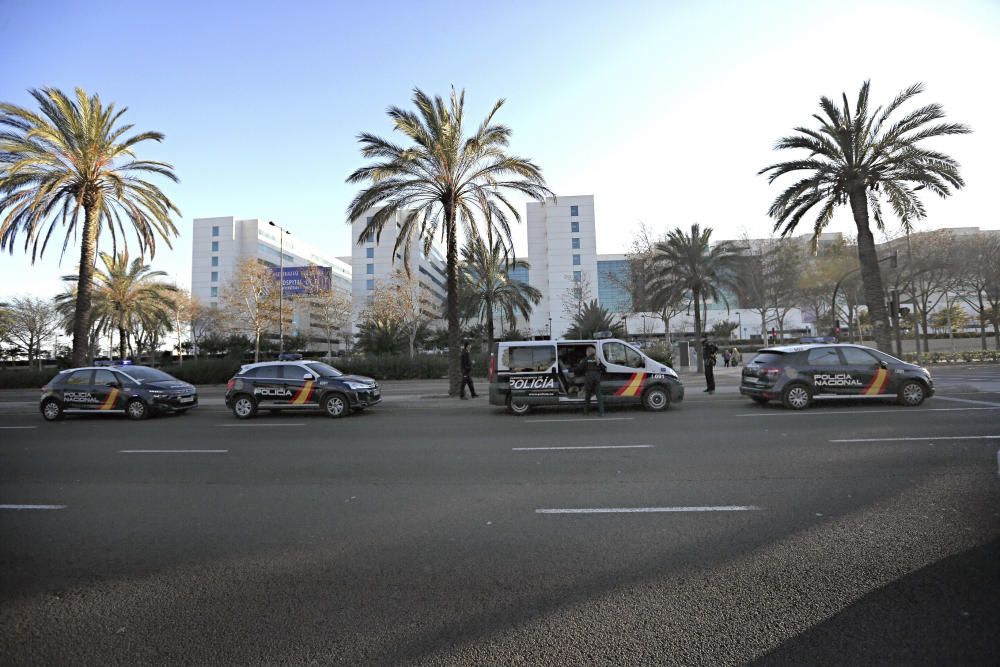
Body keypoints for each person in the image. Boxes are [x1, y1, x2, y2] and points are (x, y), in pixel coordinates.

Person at [575, 346, 605, 415]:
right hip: (597, 377)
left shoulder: (586, 359)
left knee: (588, 395)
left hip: (589, 378)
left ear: (588, 352)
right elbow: (603, 368)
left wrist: (571, 370)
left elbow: (579, 368)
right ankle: (601, 412)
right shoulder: (597, 359)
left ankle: (586, 412)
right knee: (599, 396)